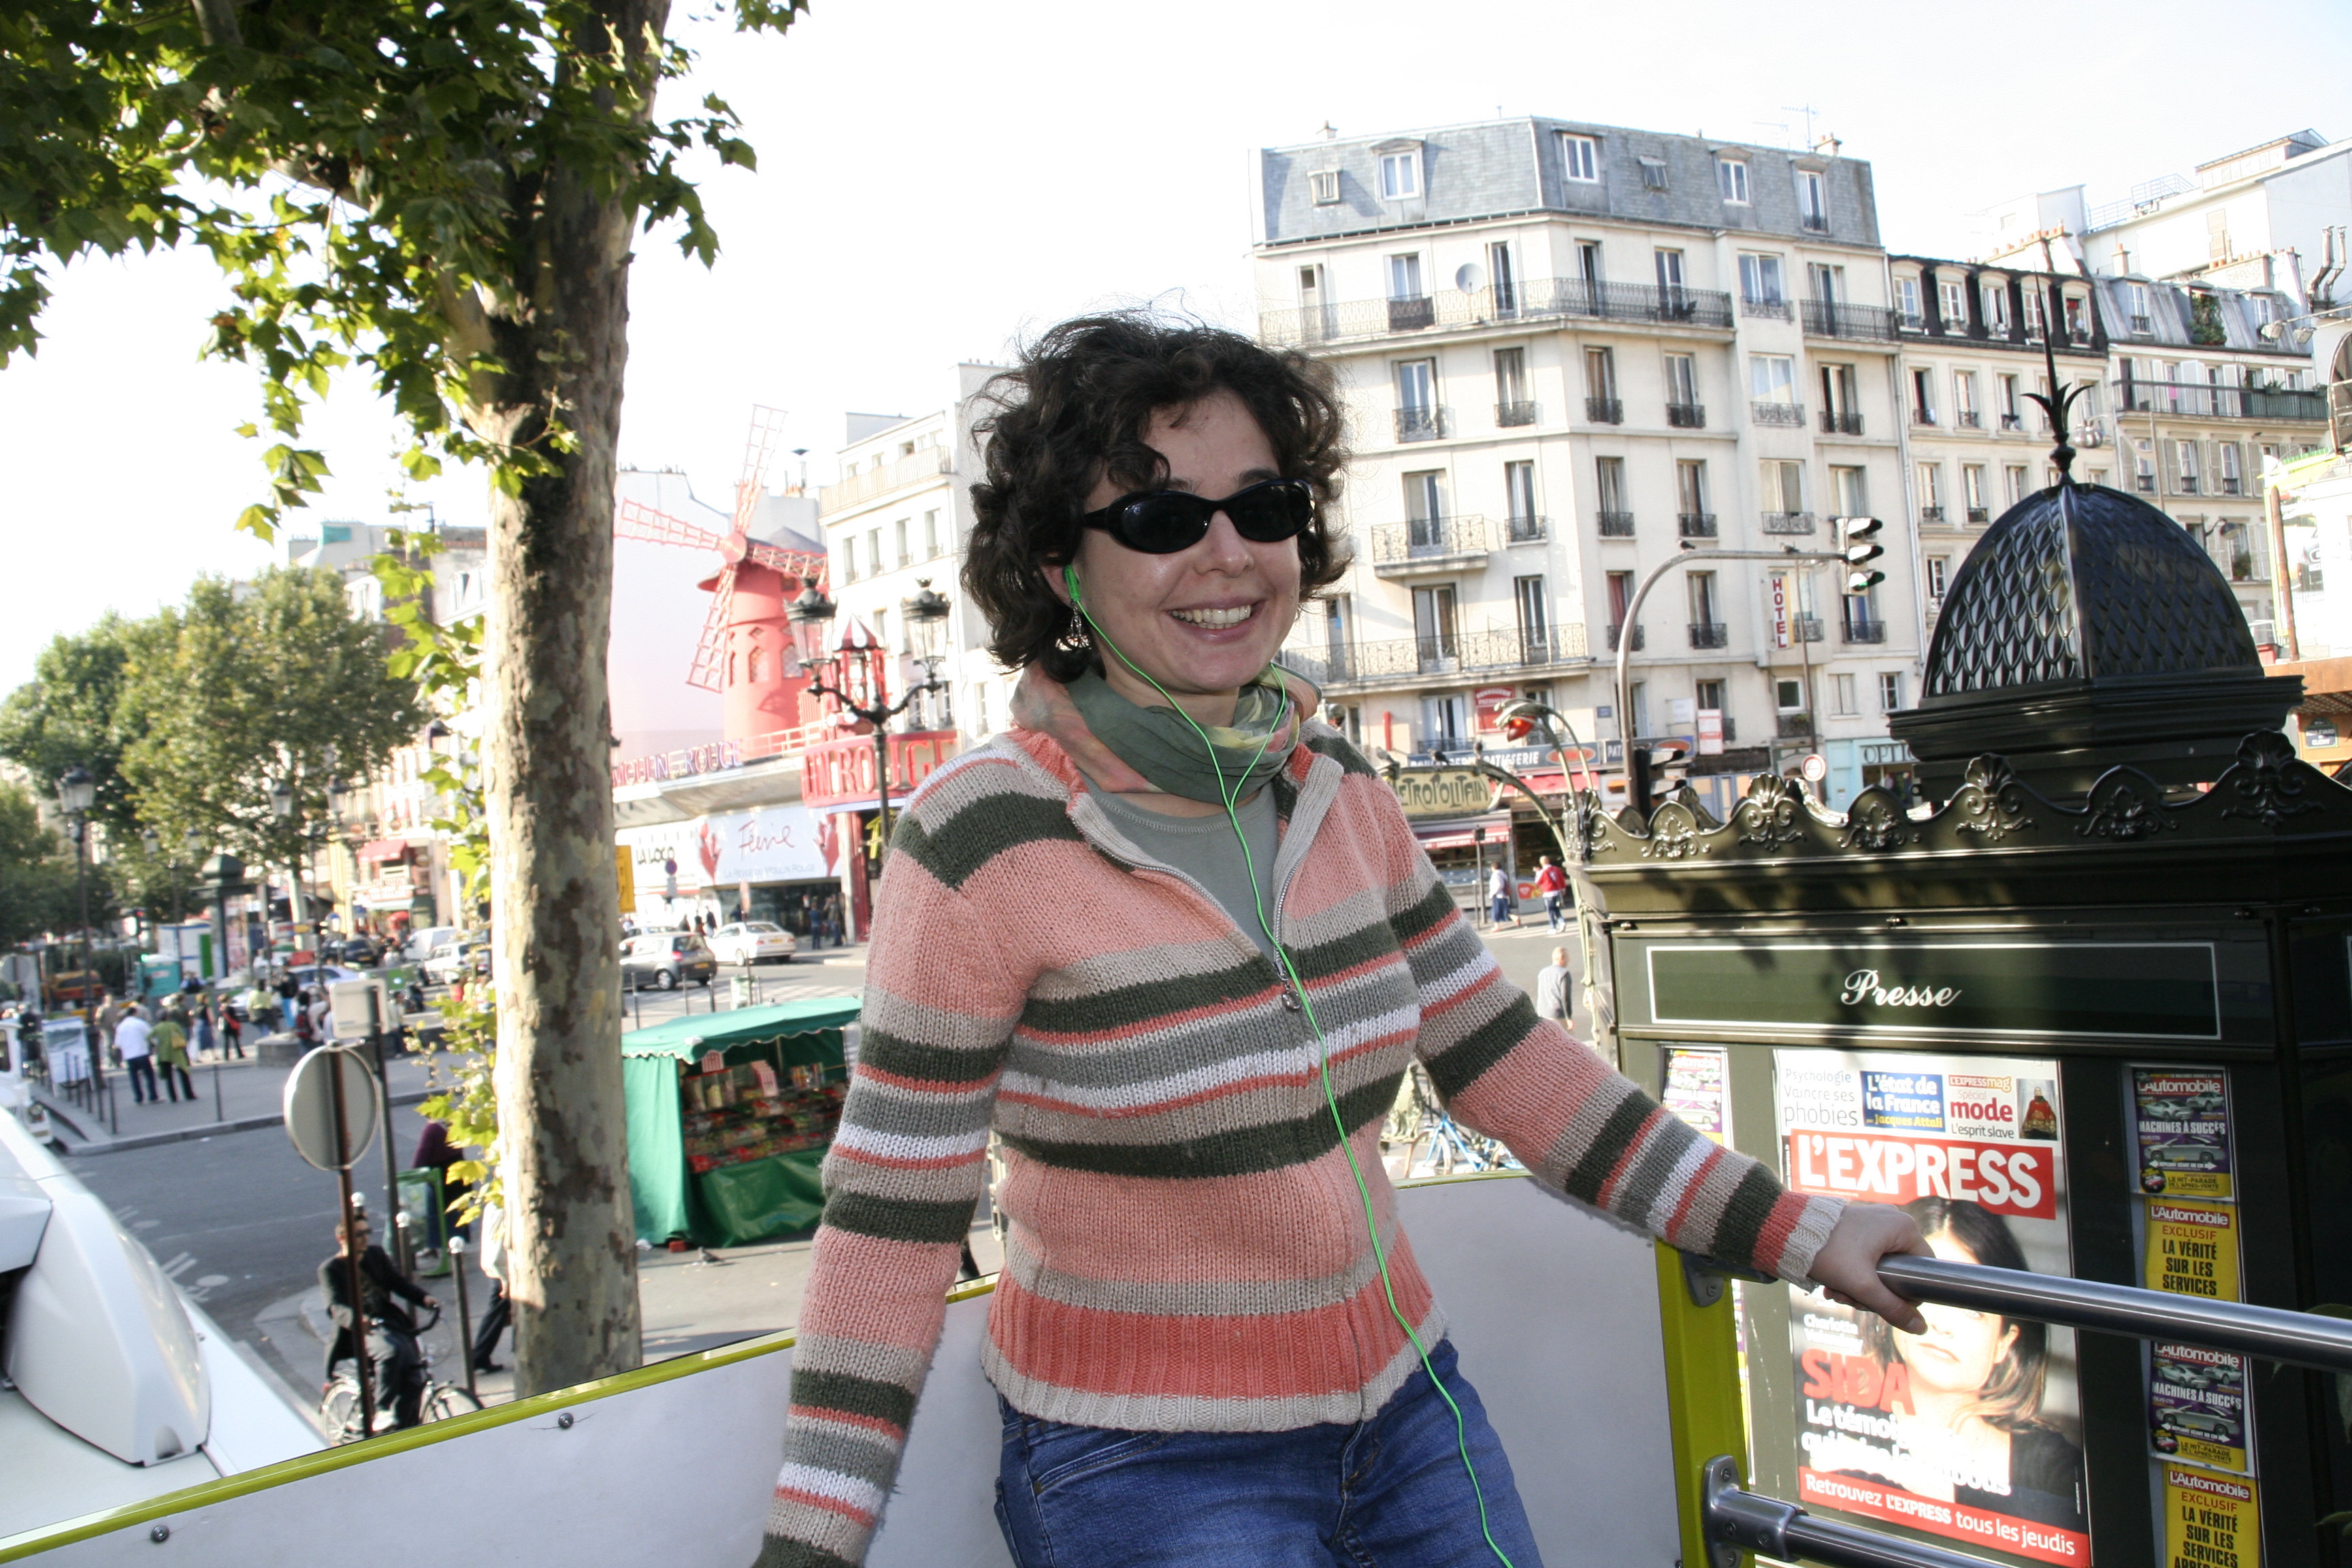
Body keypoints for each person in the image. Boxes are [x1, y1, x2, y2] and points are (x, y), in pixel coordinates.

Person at [749, 312, 1929, 1568]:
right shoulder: (979, 836)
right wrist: (812, 1547)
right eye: (1159, 518)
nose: (1227, 555)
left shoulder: (1340, 791)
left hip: (1410, 1412)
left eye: (1263, 509)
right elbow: (893, 1212)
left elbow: (1517, 1068)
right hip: (1145, 1466)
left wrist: (1799, 1231)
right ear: (1058, 565)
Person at [1842, 1196, 2087, 1533]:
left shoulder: (2055, 1468)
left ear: (2005, 1341)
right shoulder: (1837, 1422)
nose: (1944, 1325)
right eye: (1927, 1292)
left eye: (1972, 1309)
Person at [318, 1208, 437, 1431]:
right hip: (358, 1330)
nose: (365, 1238)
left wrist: (424, 1298)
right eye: (359, 1234)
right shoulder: (330, 1269)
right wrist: (358, 1319)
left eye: (367, 1233)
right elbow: (335, 1307)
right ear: (342, 1238)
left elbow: (398, 1283)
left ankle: (402, 1428)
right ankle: (381, 1409)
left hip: (388, 1321)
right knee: (390, 1352)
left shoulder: (375, 1255)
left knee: (415, 1374)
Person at [470, 1199, 510, 1375]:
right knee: (497, 1313)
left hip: (498, 1269)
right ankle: (479, 1356)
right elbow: (497, 1252)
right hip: (502, 1270)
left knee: (498, 1313)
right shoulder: (502, 1206)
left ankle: (480, 1357)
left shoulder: (494, 1204)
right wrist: (505, 1280)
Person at [150, 1005, 194, 1102]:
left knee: (169, 1076)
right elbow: (182, 1035)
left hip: (164, 1053)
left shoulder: (157, 1027)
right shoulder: (174, 1025)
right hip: (176, 1051)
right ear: (168, 1017)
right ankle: (188, 1094)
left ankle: (173, 1097)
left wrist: (154, 1045)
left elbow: (148, 1037)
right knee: (183, 1072)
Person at [114, 1004, 157, 1104]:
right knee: (149, 1075)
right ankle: (153, 1096)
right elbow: (150, 1035)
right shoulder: (140, 1023)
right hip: (142, 1053)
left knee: (134, 1078)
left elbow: (118, 1044)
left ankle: (138, 1098)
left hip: (129, 1055)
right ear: (135, 1013)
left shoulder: (121, 1027)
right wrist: (153, 1045)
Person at [1534, 946, 1572, 1025]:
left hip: (1542, 1014)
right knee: (1568, 1032)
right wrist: (1569, 1017)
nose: (1569, 960)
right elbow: (1566, 997)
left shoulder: (1543, 973)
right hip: (1557, 1015)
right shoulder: (1564, 974)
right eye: (1567, 958)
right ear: (1561, 958)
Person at [1533, 854, 1569, 934]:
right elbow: (1562, 879)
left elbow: (1537, 882)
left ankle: (1553, 927)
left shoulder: (1543, 871)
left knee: (1550, 911)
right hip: (1557, 892)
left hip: (1548, 892)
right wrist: (1563, 889)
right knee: (1556, 909)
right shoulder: (1556, 869)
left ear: (1541, 863)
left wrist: (1537, 873)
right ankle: (1561, 921)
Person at [1487, 860, 1519, 928]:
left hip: (1498, 895)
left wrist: (1493, 893)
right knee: (1504, 911)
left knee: (1495, 911)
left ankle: (1497, 926)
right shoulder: (1503, 874)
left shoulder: (1496, 874)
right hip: (1503, 895)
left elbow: (1499, 885)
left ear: (1493, 868)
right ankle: (1514, 918)